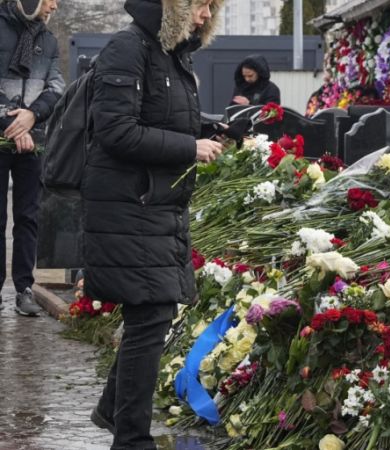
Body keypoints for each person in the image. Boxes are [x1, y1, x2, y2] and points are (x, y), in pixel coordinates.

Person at [83, 0, 224, 448]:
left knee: (152, 313)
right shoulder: (128, 48)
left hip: (154, 207)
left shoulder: (169, 56)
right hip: (129, 206)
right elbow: (116, 129)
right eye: (201, 5)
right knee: (150, 314)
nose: (205, 17)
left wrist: (211, 129)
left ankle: (112, 410)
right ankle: (130, 439)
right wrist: (189, 146)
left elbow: (161, 115)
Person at [0, 0, 64, 316]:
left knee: (28, 218)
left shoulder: (48, 40)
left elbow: (56, 88)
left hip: (32, 141)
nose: (55, 4)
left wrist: (33, 116)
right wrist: (13, 125)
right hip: (7, 135)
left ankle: (24, 288)